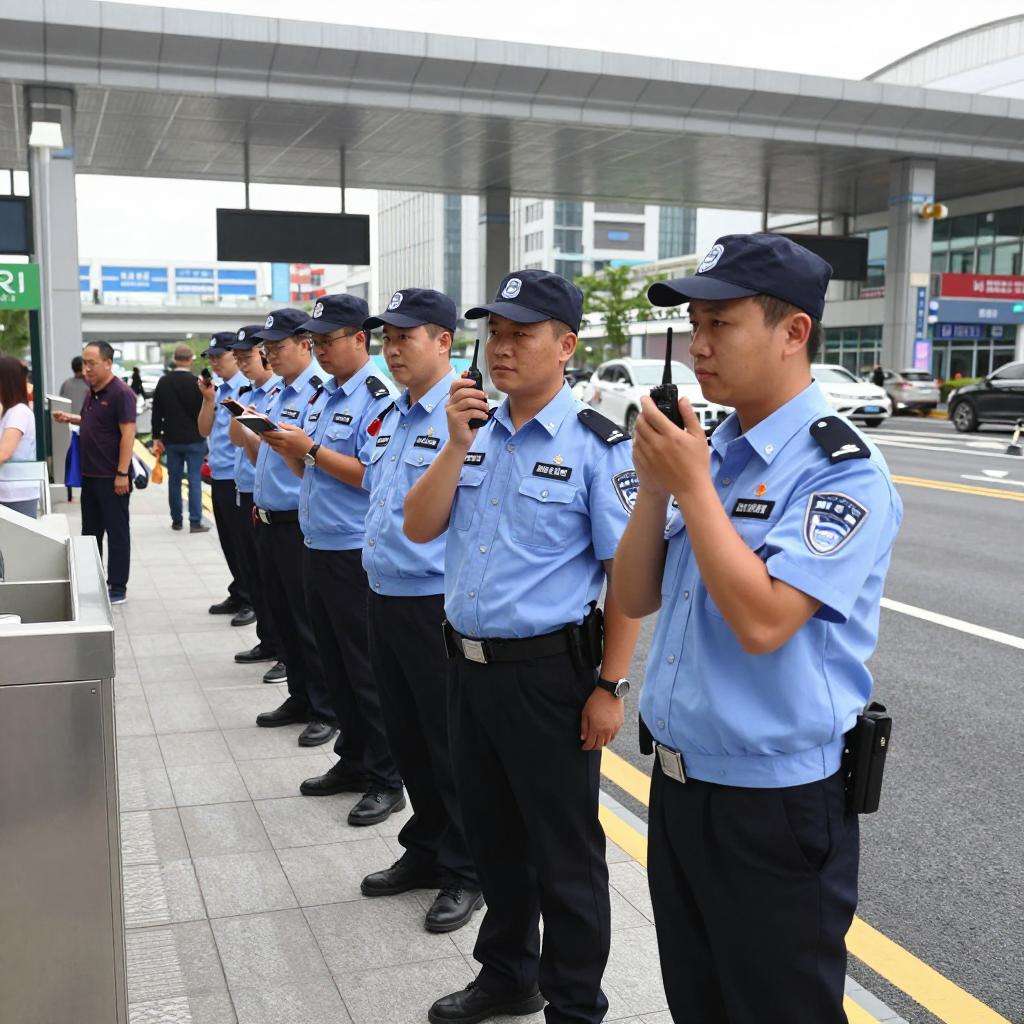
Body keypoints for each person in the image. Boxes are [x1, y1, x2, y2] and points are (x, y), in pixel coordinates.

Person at [612, 233, 903, 1024]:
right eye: (694, 325)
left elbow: (765, 621)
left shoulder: (837, 469)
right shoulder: (717, 452)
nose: (700, 347)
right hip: (679, 788)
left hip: (773, 807)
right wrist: (653, 489)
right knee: (700, 1003)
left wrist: (693, 488)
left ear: (793, 331)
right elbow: (635, 594)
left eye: (721, 323)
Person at [403, 270, 642, 1024]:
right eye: (494, 333)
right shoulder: (472, 430)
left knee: (564, 852)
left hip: (548, 676)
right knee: (491, 834)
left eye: (520, 334)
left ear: (566, 345)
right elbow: (418, 527)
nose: (501, 349)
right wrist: (454, 444)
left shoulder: (599, 447)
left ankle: (575, 1004)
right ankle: (508, 974)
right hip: (466, 668)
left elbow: (627, 580)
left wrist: (611, 687)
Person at [357, 288, 483, 931]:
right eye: (387, 338)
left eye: (407, 336)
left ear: (444, 342)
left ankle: (466, 869)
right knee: (407, 737)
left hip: (432, 603)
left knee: (447, 743)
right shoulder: (397, 415)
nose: (393, 348)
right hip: (384, 596)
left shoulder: (465, 417)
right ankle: (428, 848)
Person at [258, 294, 406, 822]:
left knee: (364, 669)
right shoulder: (329, 396)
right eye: (315, 342)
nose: (320, 351)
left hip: (350, 549)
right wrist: (292, 453)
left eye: (328, 342)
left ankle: (387, 778)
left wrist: (311, 451)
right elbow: (312, 471)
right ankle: (353, 759)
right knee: (336, 664)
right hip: (316, 541)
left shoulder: (378, 395)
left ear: (359, 339)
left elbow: (372, 476)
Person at [234, 307, 335, 747]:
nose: (270, 355)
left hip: (300, 521)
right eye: (266, 348)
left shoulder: (315, 391)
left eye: (277, 347)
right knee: (282, 615)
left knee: (307, 620)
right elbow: (264, 458)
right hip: (269, 517)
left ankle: (325, 707)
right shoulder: (277, 393)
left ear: (304, 344)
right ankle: (299, 694)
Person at [53, 341, 137, 605]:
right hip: (90, 476)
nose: (86, 368)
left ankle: (118, 588)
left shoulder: (121, 393)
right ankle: (94, 581)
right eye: (84, 362)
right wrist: (70, 418)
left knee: (117, 533)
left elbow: (128, 434)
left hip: (113, 478)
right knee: (90, 532)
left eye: (92, 363)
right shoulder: (93, 392)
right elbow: (95, 422)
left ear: (108, 363)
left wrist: (122, 473)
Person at [226, 326, 286, 685]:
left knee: (293, 604)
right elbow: (244, 446)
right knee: (264, 581)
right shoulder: (261, 394)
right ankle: (273, 644)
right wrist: (245, 419)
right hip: (257, 496)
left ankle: (287, 658)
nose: (243, 364)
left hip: (295, 517)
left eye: (248, 356)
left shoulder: (296, 394)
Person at [197, 335, 254, 625]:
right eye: (212, 358)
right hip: (219, 473)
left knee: (243, 542)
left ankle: (250, 597)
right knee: (228, 540)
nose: (215, 363)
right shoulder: (217, 390)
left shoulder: (246, 389)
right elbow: (205, 429)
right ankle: (238, 588)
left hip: (238, 476)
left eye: (220, 356)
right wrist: (208, 401)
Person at [150, 345, 208, 533]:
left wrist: (156, 437)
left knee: (174, 480)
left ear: (174, 360)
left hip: (172, 439)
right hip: (195, 438)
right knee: (194, 479)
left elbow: (156, 412)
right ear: (190, 359)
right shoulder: (197, 382)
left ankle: (176, 520)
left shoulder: (164, 382)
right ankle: (195, 521)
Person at [0, 354, 39, 517]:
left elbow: (4, 453)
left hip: (16, 494)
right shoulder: (9, 411)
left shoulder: (19, 413)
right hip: (9, 491)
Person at [59, 355, 90, 501]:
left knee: (70, 458)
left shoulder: (66, 384)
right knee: (84, 458)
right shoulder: (89, 385)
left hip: (68, 426)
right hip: (84, 426)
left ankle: (69, 493)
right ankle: (86, 487)